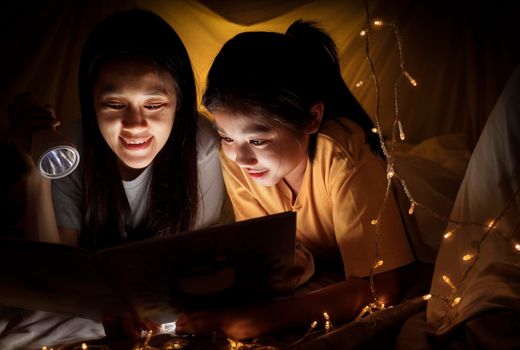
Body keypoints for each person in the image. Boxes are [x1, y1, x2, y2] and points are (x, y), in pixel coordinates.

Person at [0, 9, 227, 349]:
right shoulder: (68, 150)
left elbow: (191, 259)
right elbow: (53, 277)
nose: (135, 124)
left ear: (179, 103)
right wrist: (35, 172)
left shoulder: (201, 144)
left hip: (165, 303)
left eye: (154, 104)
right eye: (115, 104)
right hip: (92, 308)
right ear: (91, 104)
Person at [175, 20, 416, 340]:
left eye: (258, 140)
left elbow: (381, 288)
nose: (241, 157)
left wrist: (260, 320)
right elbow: (266, 261)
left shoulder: (344, 158)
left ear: (312, 118)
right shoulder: (236, 158)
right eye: (227, 138)